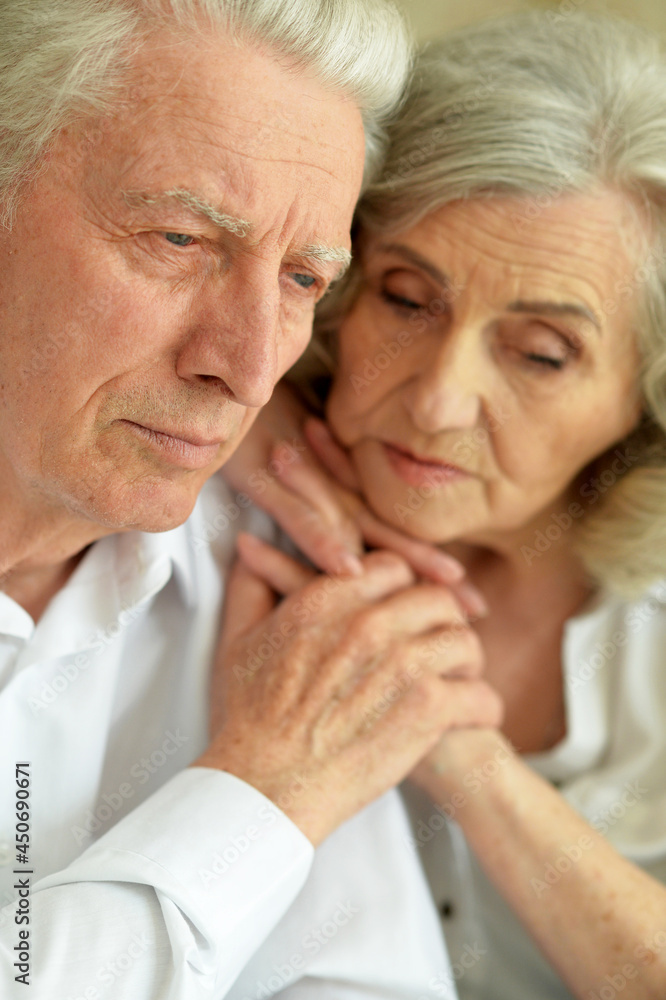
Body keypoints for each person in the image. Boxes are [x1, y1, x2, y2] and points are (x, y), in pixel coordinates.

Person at [0, 2, 503, 997]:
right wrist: (267, 792)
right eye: (179, 238)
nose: (248, 365)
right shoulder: (292, 732)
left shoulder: (274, 576)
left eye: (304, 278)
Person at [226, 11, 666, 999]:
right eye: (405, 298)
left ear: (645, 401)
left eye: (542, 354)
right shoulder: (216, 511)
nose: (437, 401)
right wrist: (239, 420)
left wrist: (466, 758)